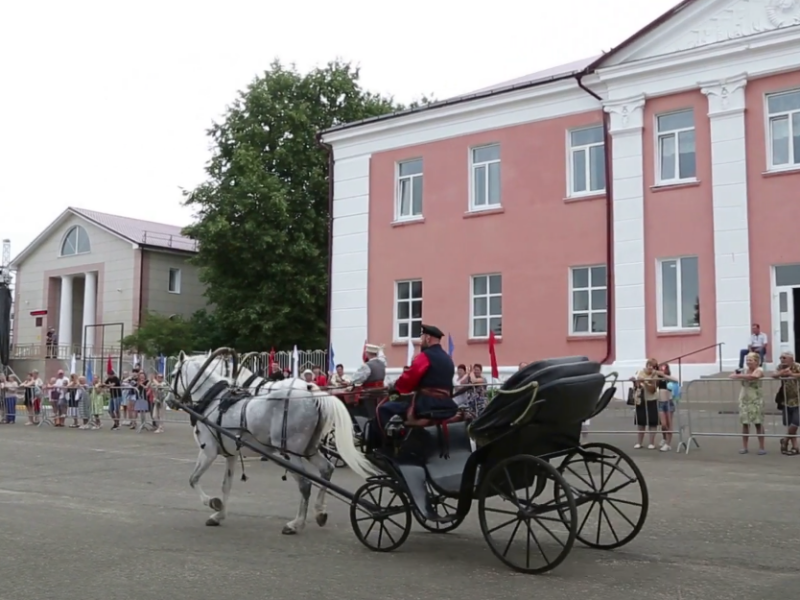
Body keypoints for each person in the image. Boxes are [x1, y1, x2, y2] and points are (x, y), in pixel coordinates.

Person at [372, 324, 457, 445]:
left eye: (422, 338)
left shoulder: (425, 356)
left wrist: (395, 388)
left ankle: (387, 446)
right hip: (446, 404)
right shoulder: (448, 358)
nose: (421, 342)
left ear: (427, 338)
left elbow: (409, 377)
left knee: (383, 409)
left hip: (427, 404)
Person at [730, 351, 766, 455]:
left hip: (756, 398)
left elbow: (754, 377)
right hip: (744, 398)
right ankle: (745, 447)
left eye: (750, 360)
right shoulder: (744, 370)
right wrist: (737, 374)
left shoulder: (759, 369)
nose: (748, 362)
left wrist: (738, 376)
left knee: (758, 423)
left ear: (756, 361)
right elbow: (732, 375)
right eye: (747, 360)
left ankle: (761, 447)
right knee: (745, 423)